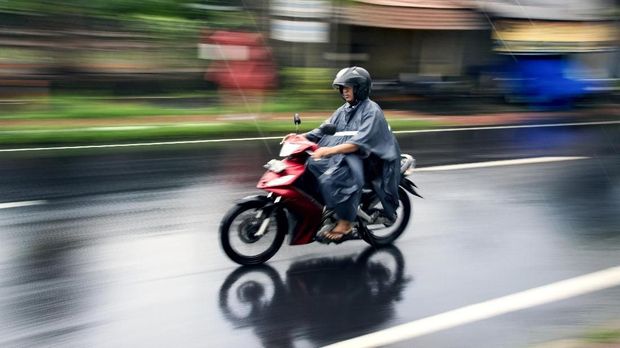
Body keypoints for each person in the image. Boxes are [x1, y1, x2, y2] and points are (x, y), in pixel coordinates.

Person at [300, 66, 402, 243]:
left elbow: (359, 142)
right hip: (351, 156)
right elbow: (324, 129)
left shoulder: (372, 111)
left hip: (370, 160)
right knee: (311, 163)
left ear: (360, 88)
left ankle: (345, 223)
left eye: (348, 87)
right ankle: (328, 207)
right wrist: (300, 137)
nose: (344, 91)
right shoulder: (343, 110)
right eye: (342, 88)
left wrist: (329, 150)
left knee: (333, 177)